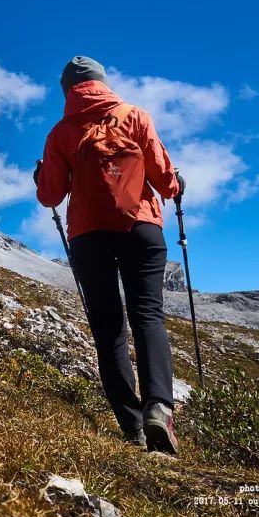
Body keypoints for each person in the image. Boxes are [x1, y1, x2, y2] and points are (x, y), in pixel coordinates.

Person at [34, 56, 184, 454]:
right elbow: (167, 183)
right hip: (141, 228)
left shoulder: (62, 132)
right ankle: (159, 409)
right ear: (103, 82)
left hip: (89, 236)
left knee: (108, 328)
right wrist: (176, 180)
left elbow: (50, 195)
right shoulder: (136, 116)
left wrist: (41, 176)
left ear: (67, 90)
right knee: (147, 315)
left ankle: (132, 427)